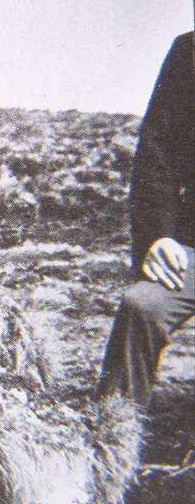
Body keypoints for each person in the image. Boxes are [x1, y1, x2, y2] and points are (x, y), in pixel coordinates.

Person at [96, 31, 194, 407]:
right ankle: (111, 442)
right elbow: (157, 153)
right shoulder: (190, 51)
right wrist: (158, 237)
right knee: (143, 306)